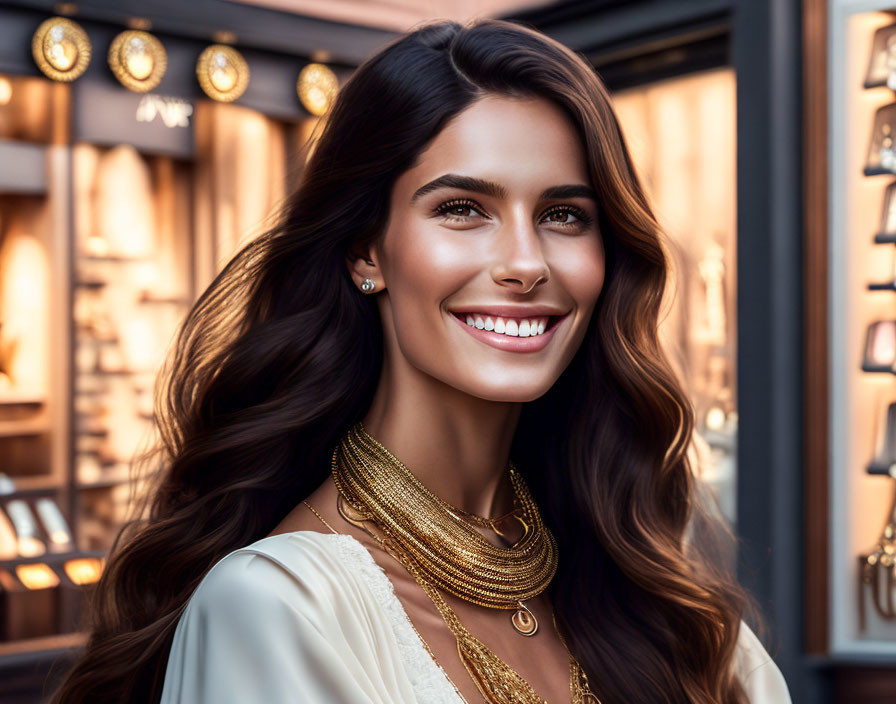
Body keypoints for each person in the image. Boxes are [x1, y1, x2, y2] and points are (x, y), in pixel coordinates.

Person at [48, 18, 793, 704]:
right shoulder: (278, 606)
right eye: (463, 209)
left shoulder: (645, 582)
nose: (526, 263)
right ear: (366, 250)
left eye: (564, 215)